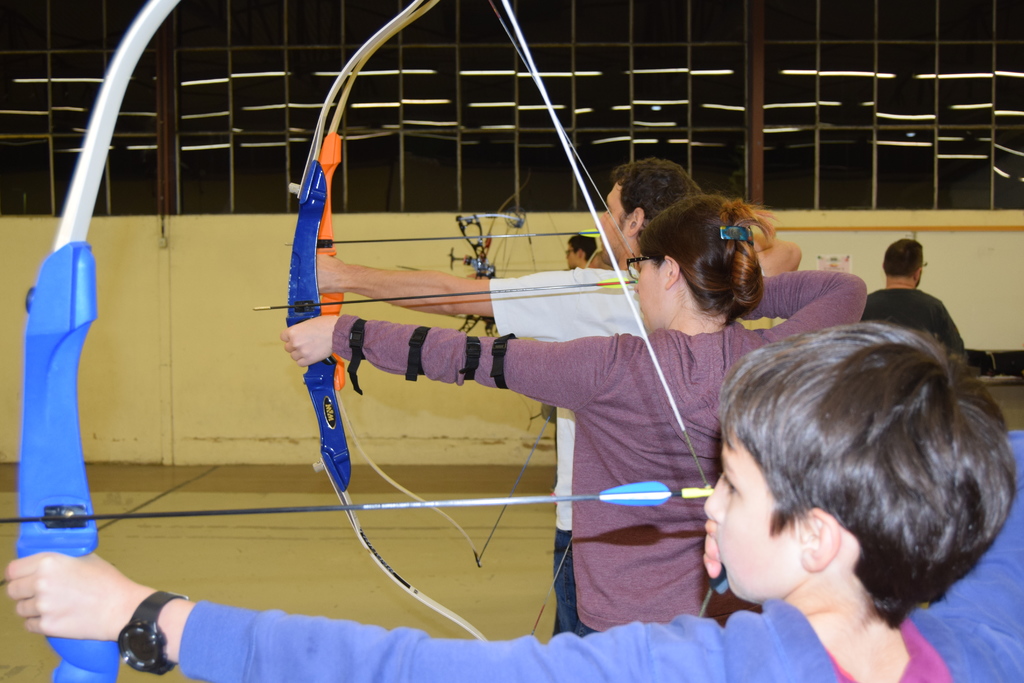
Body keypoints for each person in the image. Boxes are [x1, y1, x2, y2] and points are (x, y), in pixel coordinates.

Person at [8, 324, 1023, 683]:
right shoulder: (982, 633)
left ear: (819, 537)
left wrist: (143, 615)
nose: (704, 503)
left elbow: (406, 670)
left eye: (733, 486)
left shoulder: (692, 668)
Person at [283, 193, 864, 633]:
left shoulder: (611, 366)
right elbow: (846, 290)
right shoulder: (771, 359)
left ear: (669, 272)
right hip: (733, 620)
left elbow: (465, 356)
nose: (635, 280)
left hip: (623, 627)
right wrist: (729, 292)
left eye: (641, 267)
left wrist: (339, 333)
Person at [861, 238, 965, 356]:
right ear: (917, 273)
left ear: (884, 267)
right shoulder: (934, 308)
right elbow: (957, 356)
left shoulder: (863, 306)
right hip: (920, 368)